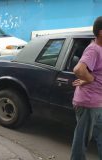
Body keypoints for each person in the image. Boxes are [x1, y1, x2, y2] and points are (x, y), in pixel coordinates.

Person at [71, 16, 102, 160]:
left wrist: (88, 78)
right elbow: (78, 69)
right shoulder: (94, 49)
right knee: (81, 141)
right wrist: (90, 78)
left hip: (98, 102)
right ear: (101, 32)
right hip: (88, 103)